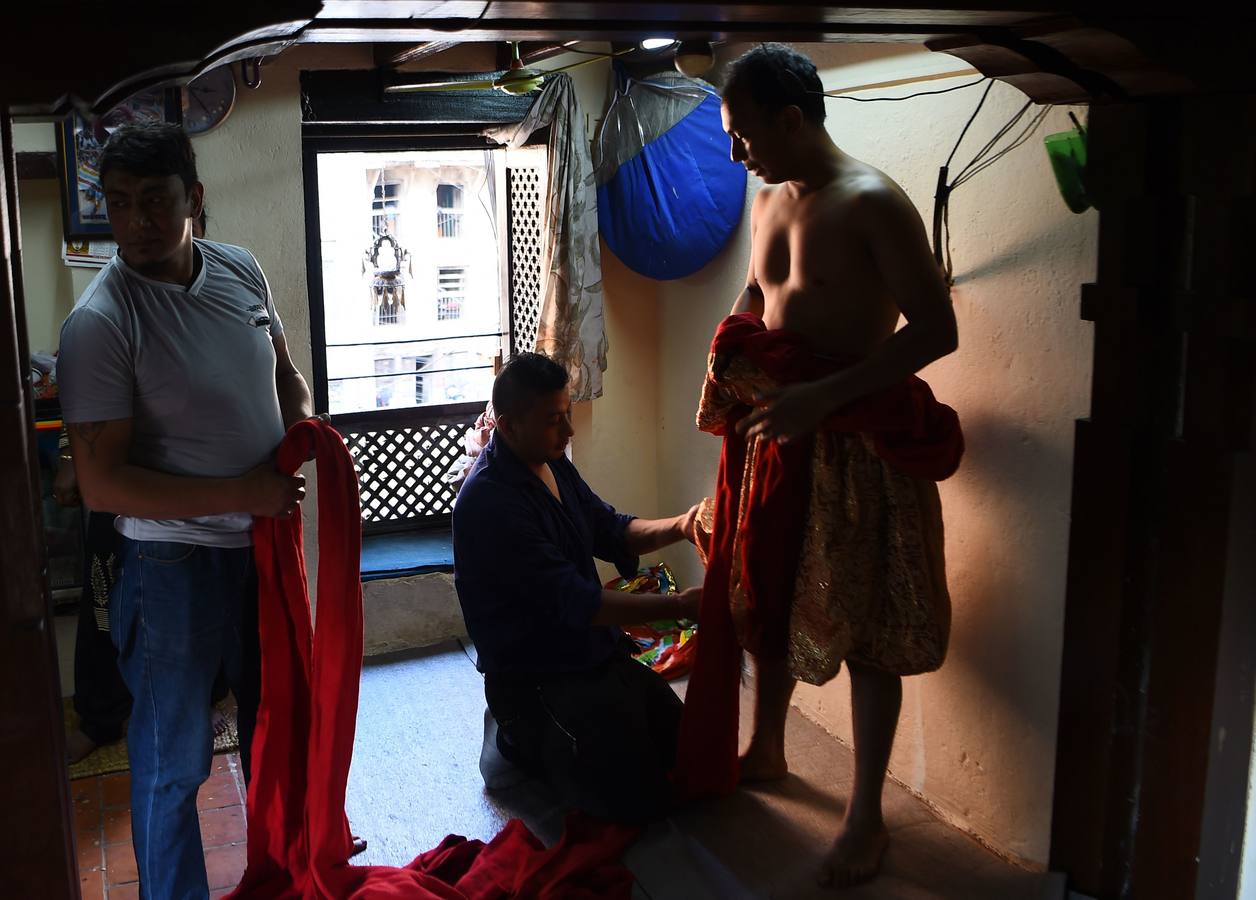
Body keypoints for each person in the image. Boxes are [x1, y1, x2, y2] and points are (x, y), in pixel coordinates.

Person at [675, 44, 964, 889]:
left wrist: (825, 397)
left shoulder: (873, 202)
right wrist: (730, 360)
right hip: (779, 436)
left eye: (742, 133)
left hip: (862, 450)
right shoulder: (765, 204)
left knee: (871, 628)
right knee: (764, 593)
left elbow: (936, 331)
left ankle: (866, 820)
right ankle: (767, 744)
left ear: (790, 119)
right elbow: (756, 299)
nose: (736, 153)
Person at [57, 123, 311, 899]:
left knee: (278, 726)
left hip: (263, 545)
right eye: (120, 203)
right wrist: (246, 492)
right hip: (172, 566)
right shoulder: (100, 324)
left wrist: (303, 441)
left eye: (155, 201)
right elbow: (103, 487)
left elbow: (288, 379)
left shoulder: (239, 269)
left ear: (195, 199)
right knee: (174, 763)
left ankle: (287, 867)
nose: (134, 221)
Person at [452, 352, 702, 824]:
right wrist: (682, 606)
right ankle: (511, 742)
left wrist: (684, 525)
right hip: (537, 679)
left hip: (593, 657)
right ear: (506, 427)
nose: (568, 432)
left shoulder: (551, 462)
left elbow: (611, 528)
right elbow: (580, 603)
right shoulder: (490, 504)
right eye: (554, 420)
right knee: (635, 804)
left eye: (567, 414)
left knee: (693, 754)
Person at [55, 206, 226, 767]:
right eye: (124, 205)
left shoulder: (222, 290)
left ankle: (205, 701)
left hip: (205, 507)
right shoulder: (106, 310)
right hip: (124, 497)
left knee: (209, 626)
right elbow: (89, 405)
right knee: (106, 613)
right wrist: (68, 458)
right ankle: (102, 716)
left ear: (194, 212)